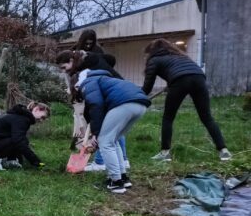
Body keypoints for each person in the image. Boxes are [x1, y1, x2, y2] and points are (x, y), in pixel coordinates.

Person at [142, 38, 231, 162]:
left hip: (179, 81)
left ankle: (165, 153)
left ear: (151, 51)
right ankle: (224, 151)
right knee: (207, 117)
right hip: (199, 78)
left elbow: (147, 87)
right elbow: (184, 71)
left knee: (168, 118)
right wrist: (171, 83)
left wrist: (138, 96)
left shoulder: (154, 60)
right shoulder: (181, 57)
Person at [75, 63, 151, 193]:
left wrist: (96, 134)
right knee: (113, 140)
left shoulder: (87, 82)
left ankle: (115, 182)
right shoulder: (104, 79)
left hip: (124, 103)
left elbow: (96, 105)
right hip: (140, 104)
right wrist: (96, 132)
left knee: (106, 142)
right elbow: (102, 109)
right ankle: (123, 177)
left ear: (77, 84)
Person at [0, 102, 50, 170]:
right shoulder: (22, 119)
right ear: (36, 109)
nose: (41, 120)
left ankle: (10, 161)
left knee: (23, 140)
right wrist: (36, 161)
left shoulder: (22, 117)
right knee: (19, 141)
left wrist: (19, 160)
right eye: (42, 117)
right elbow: (18, 142)